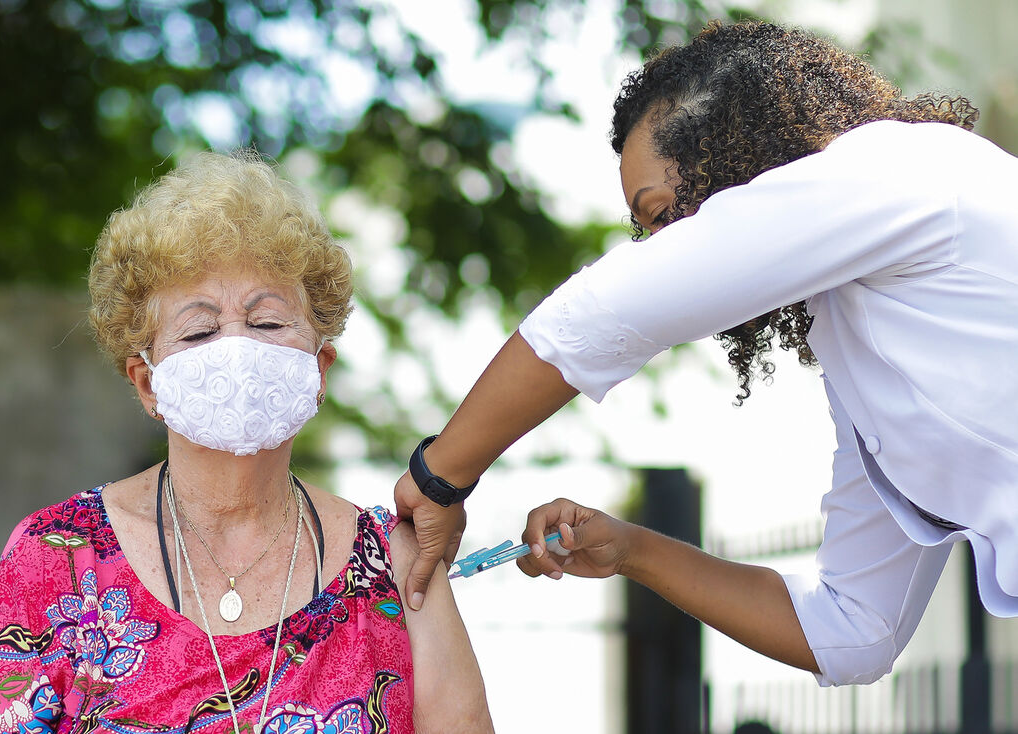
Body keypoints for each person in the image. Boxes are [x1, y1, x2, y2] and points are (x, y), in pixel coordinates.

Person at [394, 19, 1018, 687]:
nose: (662, 252)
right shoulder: (868, 355)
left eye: (662, 215)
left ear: (737, 148)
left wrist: (438, 479)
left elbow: (601, 314)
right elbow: (855, 631)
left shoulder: (898, 169)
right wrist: (630, 548)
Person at [0, 151, 493, 733]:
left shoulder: (397, 564)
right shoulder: (55, 559)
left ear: (319, 370)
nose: (236, 350)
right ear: (148, 383)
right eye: (199, 330)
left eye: (268, 323)